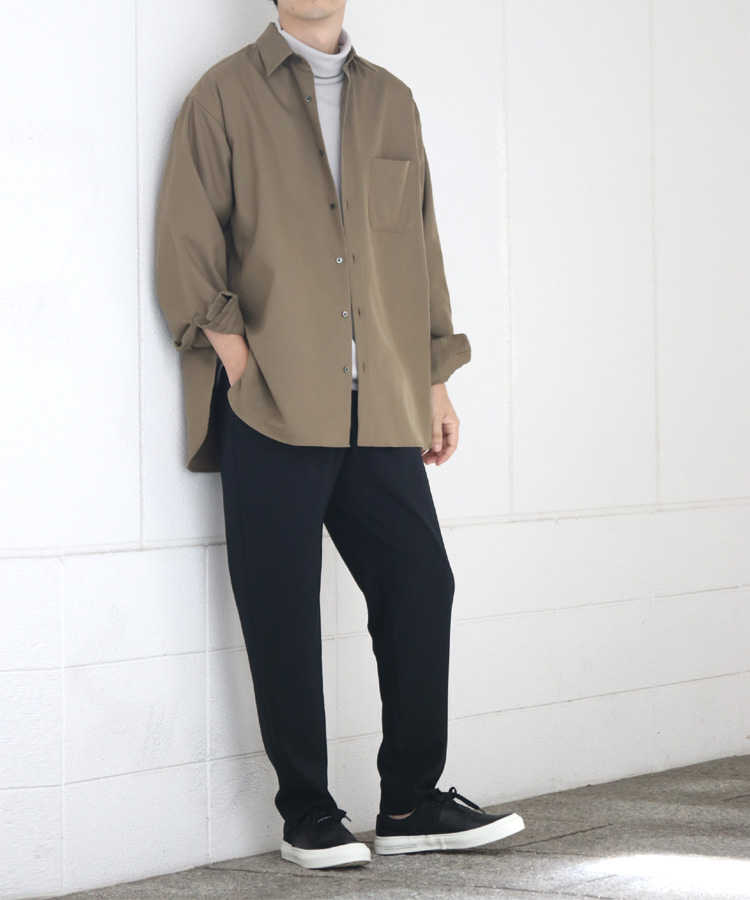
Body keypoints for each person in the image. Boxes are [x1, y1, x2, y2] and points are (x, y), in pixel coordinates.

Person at [155, 0, 525, 871]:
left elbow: (419, 251)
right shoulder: (222, 96)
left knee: (420, 583)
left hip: (380, 405)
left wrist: (433, 379)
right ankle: (308, 815)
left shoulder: (393, 101)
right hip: (273, 404)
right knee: (280, 607)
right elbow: (186, 241)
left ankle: (411, 801)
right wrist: (244, 367)